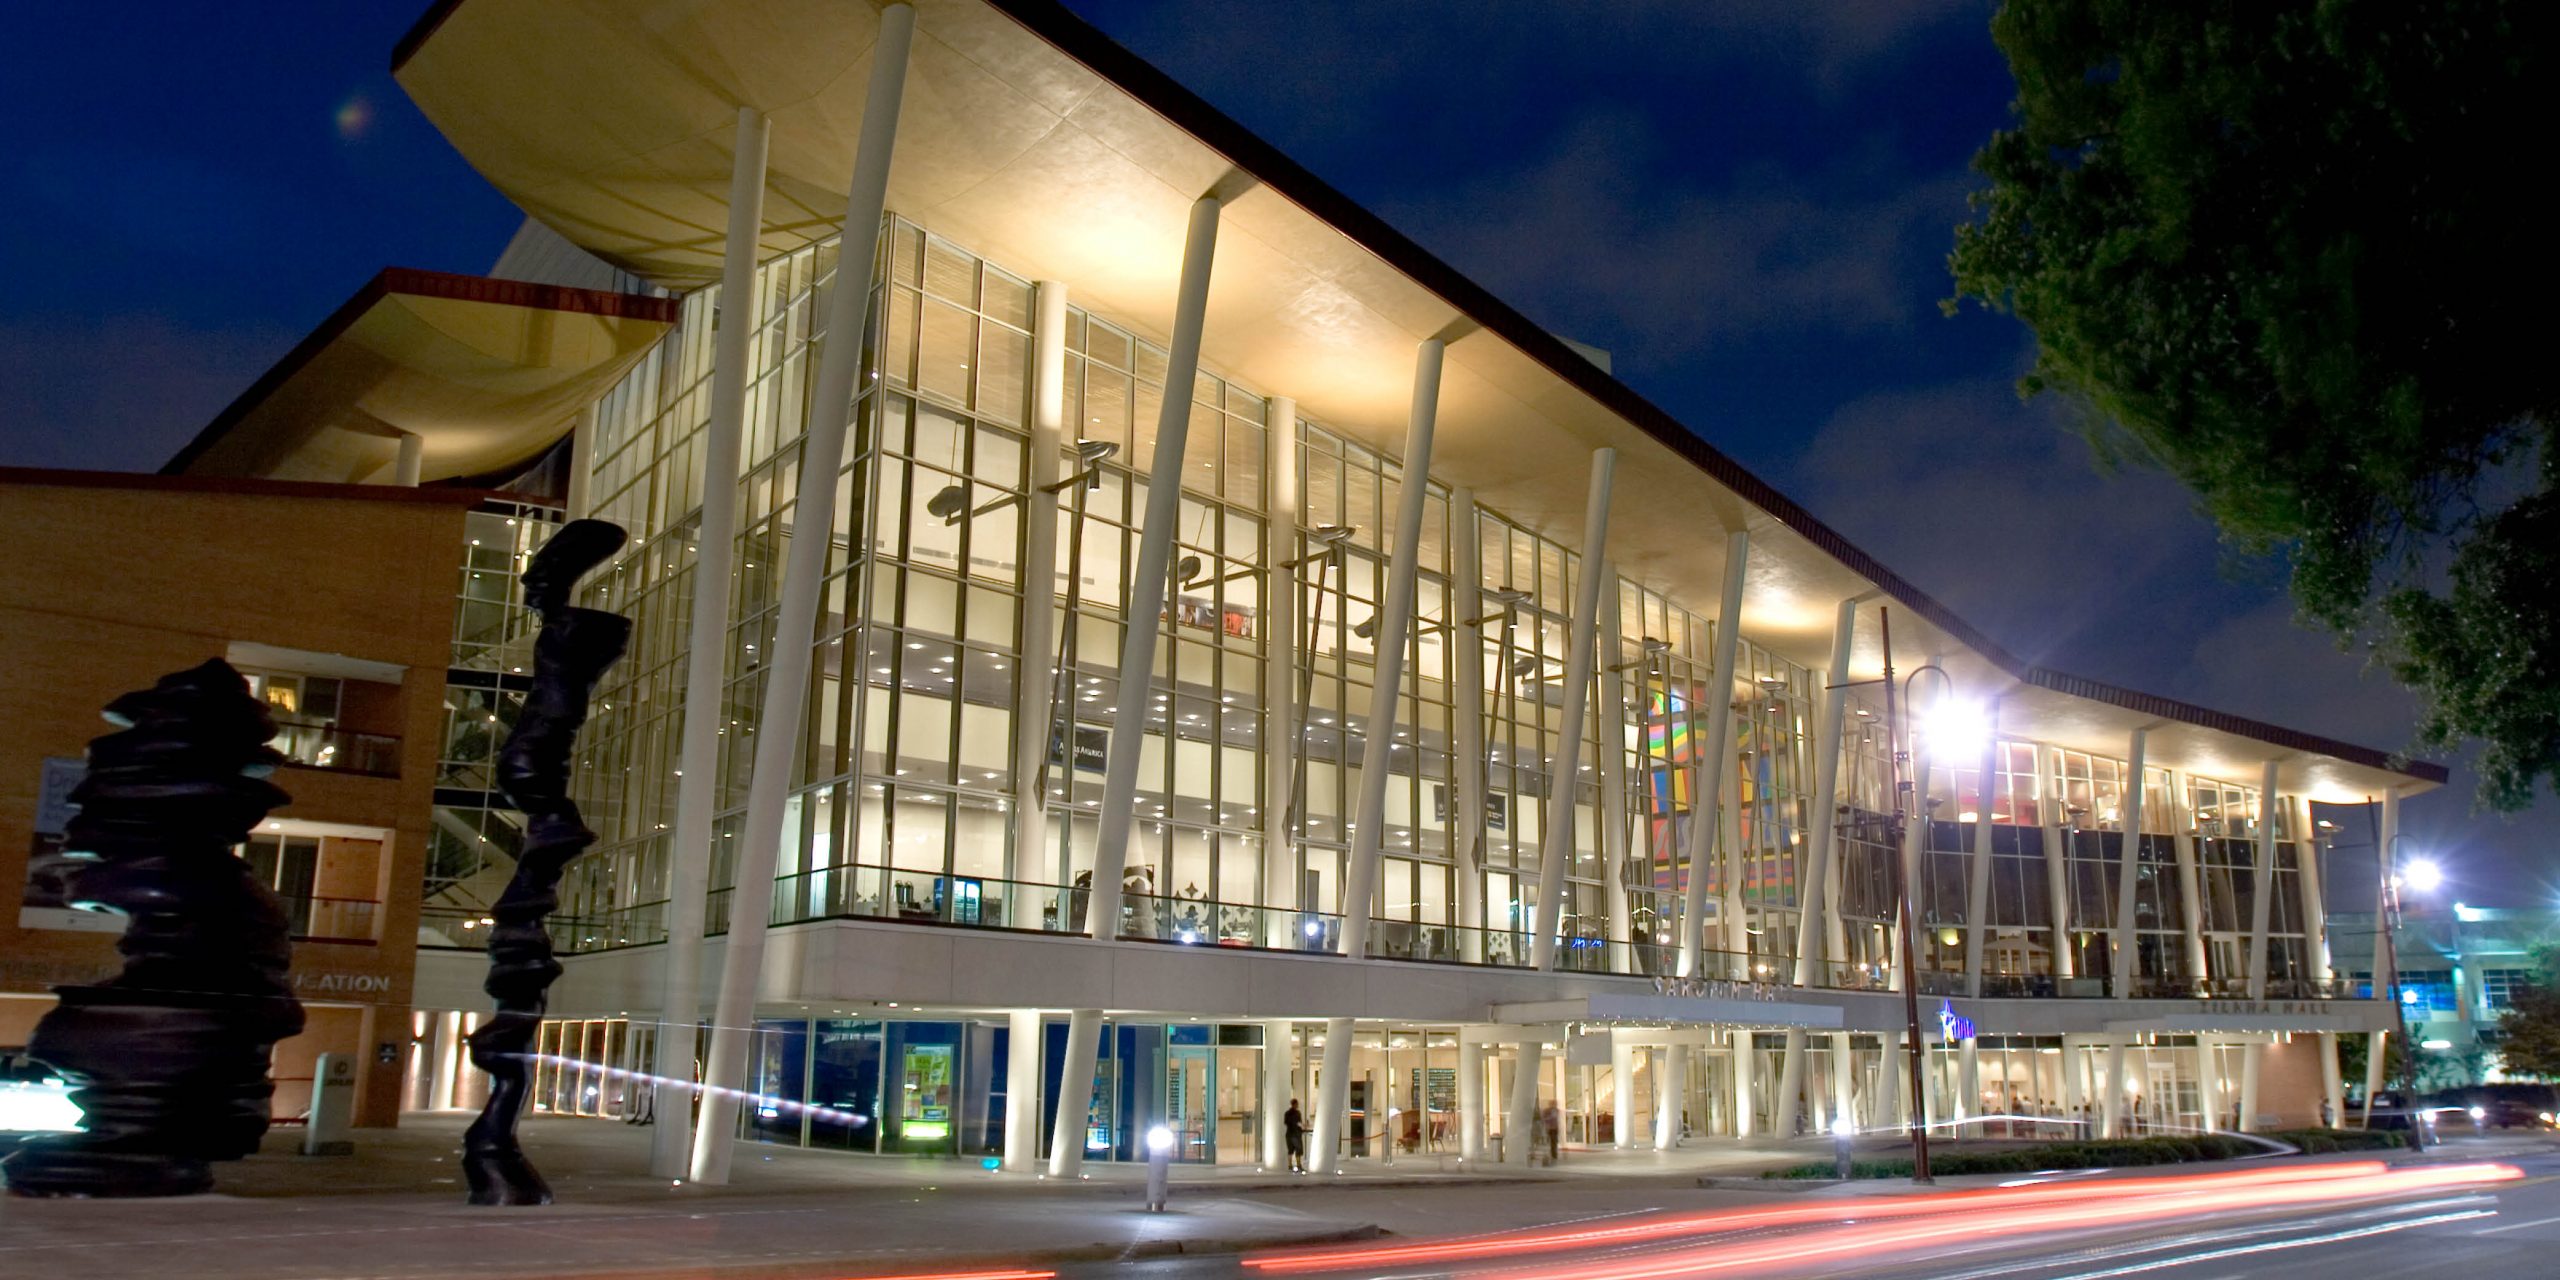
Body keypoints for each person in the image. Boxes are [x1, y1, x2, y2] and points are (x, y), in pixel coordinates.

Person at [1284, 1098, 1306, 1173]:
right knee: (1298, 1149)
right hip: (1294, 1134)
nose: (1297, 1105)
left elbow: (1286, 1122)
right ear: (1294, 1104)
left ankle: (1290, 1165)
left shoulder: (1288, 1113)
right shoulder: (1296, 1113)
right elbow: (1298, 1123)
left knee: (1291, 1150)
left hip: (1290, 1133)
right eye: (1296, 1104)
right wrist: (1300, 1127)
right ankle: (1298, 1164)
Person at [1539, 1100, 1563, 1166]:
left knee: (1554, 1142)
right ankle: (1551, 1155)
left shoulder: (1557, 1110)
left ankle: (1554, 1155)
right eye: (1553, 1104)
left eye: (1555, 1104)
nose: (1555, 1105)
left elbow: (1557, 1119)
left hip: (1555, 1128)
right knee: (1550, 1142)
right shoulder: (1547, 1111)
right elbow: (1543, 1118)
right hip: (1549, 1128)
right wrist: (1548, 1119)